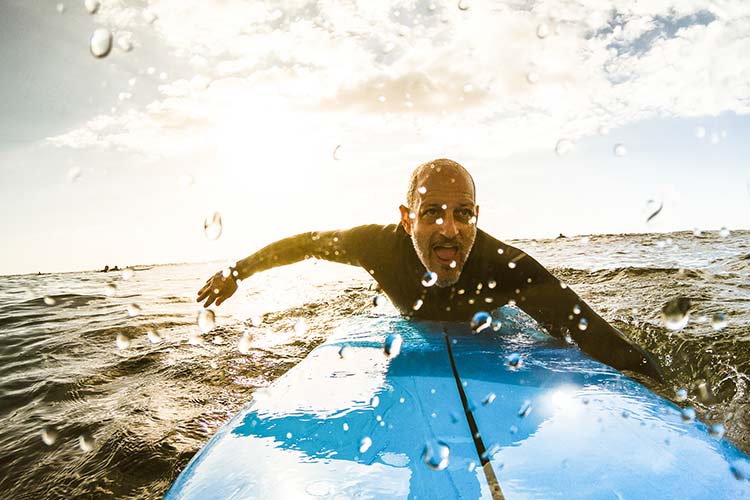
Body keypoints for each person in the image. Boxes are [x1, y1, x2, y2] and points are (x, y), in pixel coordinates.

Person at [197, 158, 663, 382]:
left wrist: (671, 390)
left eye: (463, 214)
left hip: (489, 330)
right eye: (432, 212)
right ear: (406, 218)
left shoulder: (508, 269)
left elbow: (595, 335)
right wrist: (238, 270)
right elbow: (306, 245)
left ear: (477, 216)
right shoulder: (376, 246)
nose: (450, 229)